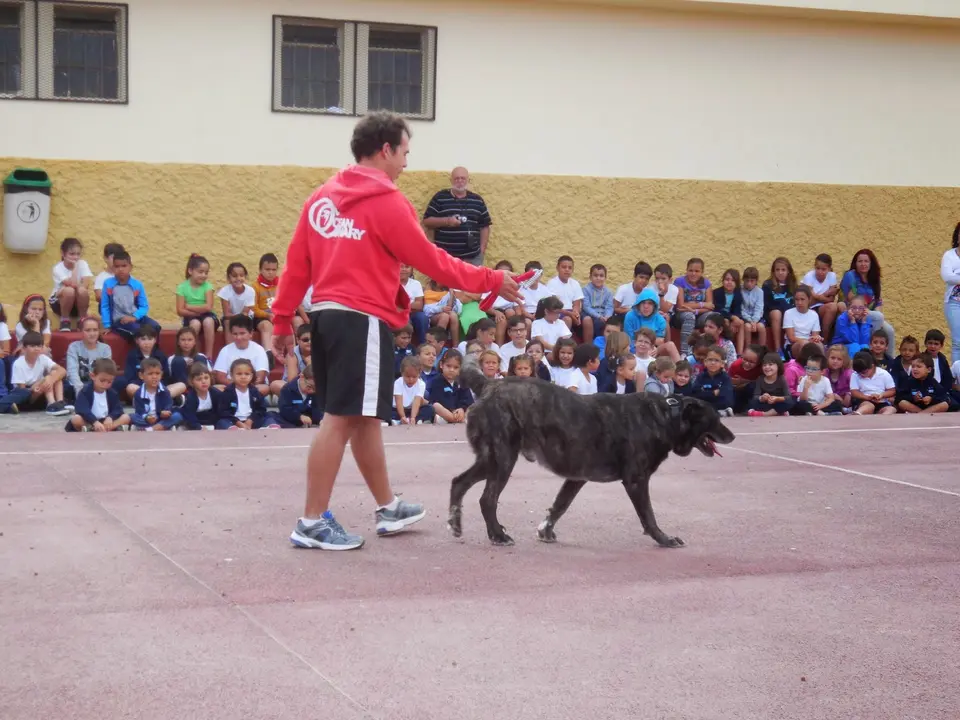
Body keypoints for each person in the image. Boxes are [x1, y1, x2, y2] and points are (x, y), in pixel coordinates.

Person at [270, 111, 520, 551]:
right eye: (405, 152)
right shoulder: (387, 201)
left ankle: (388, 507)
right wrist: (491, 279)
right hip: (360, 318)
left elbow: (297, 264)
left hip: (327, 317)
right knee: (340, 418)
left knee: (364, 416)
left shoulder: (322, 198)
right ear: (386, 149)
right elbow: (431, 260)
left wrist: (282, 318)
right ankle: (311, 521)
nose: (406, 162)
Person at [940, 222, 960, 363]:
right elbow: (947, 276)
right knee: (958, 341)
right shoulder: (949, 255)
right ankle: (957, 374)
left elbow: (953, 276)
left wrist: (956, 273)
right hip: (954, 302)